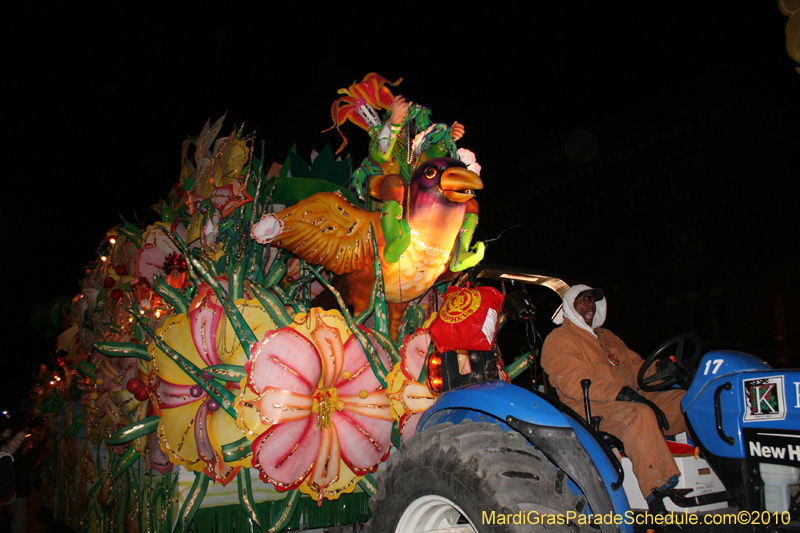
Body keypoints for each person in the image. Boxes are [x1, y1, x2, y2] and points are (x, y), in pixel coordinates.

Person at [541, 284, 686, 504]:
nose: (589, 304)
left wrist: (661, 368)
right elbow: (573, 382)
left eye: (591, 299)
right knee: (638, 415)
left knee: (685, 400)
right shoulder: (560, 339)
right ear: (570, 306)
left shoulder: (607, 336)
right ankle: (658, 493)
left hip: (630, 397)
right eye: (583, 300)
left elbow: (636, 368)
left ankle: (717, 463)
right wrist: (621, 393)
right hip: (589, 407)